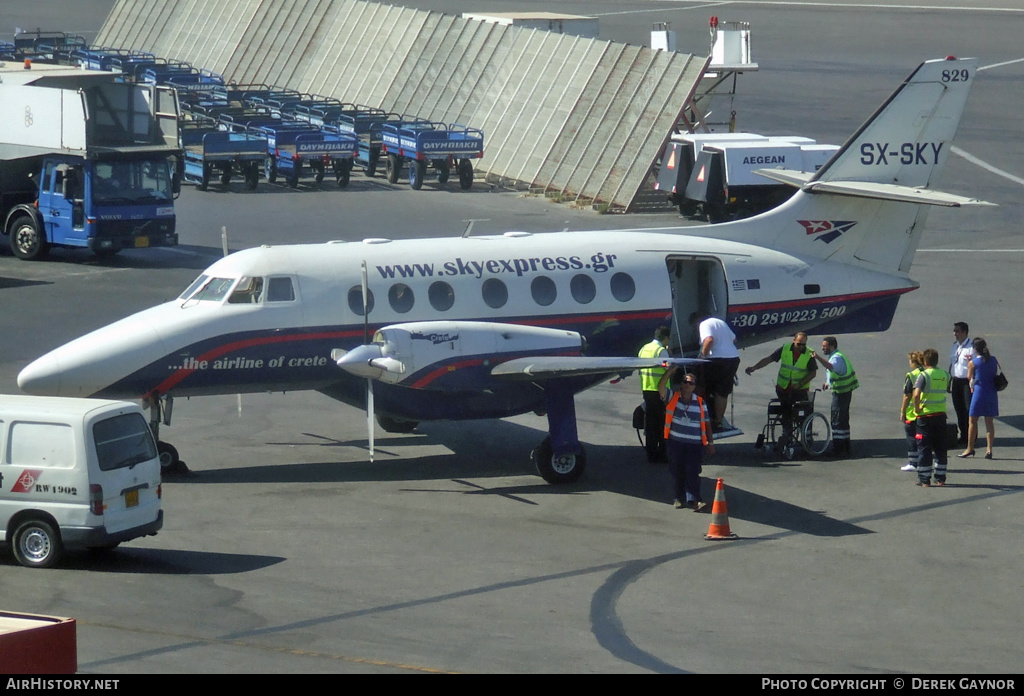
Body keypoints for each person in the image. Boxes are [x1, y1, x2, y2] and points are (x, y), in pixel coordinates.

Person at [658, 366, 714, 511]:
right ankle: (679, 498)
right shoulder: (673, 397)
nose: (687, 384)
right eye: (685, 382)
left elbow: (707, 424)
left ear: (694, 387)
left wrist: (710, 442)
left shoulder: (701, 403)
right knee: (678, 471)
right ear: (681, 384)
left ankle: (695, 500)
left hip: (694, 444)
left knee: (693, 472)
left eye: (691, 383)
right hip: (675, 442)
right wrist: (669, 372)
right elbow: (661, 387)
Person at [744, 332, 817, 440]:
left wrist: (800, 384)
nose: (801, 347)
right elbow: (769, 359)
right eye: (799, 344)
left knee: (802, 414)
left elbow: (813, 373)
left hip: (800, 390)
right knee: (785, 412)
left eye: (803, 344)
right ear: (794, 341)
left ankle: (807, 438)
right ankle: (786, 436)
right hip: (783, 388)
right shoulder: (785, 348)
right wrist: (754, 367)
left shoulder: (809, 354)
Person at [690, 312, 741, 432]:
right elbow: (735, 339)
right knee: (722, 393)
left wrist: (702, 355)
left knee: (703, 386)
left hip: (717, 360)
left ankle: (701, 417)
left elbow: (709, 339)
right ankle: (718, 421)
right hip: (733, 358)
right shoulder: (720, 322)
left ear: (697, 321)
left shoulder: (703, 324)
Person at [812, 336, 859, 456]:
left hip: (841, 394)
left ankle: (838, 448)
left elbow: (831, 367)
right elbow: (834, 372)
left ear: (831, 346)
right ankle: (846, 446)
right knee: (843, 420)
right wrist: (828, 383)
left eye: (825, 346)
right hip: (844, 392)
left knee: (837, 420)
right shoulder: (837, 355)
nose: (823, 348)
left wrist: (817, 357)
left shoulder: (836, 358)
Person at [912, 348, 949, 487]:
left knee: (924, 448)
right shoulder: (945, 374)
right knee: (940, 448)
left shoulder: (924, 376)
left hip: (925, 417)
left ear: (925, 361)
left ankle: (924, 479)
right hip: (940, 416)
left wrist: (917, 408)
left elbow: (916, 394)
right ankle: (940, 478)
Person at [960, 337, 999, 460]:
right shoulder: (993, 360)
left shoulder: (973, 363)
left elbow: (969, 377)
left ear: (975, 349)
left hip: (979, 393)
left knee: (972, 421)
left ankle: (970, 448)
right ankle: (989, 449)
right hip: (991, 393)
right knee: (989, 422)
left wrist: (969, 363)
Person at [638, 326, 671, 463]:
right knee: (663, 424)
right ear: (666, 338)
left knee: (651, 425)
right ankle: (663, 455)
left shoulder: (644, 349)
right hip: (660, 392)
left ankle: (651, 454)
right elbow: (667, 367)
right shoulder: (661, 351)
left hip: (646, 389)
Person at [949, 322, 974, 444]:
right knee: (958, 408)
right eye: (954, 331)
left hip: (967, 382)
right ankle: (964, 435)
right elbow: (953, 364)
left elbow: (976, 365)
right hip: (956, 381)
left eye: (957, 331)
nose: (955, 334)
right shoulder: (955, 346)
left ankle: (971, 436)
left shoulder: (971, 347)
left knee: (968, 409)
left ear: (964, 332)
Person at [899, 351, 925, 472]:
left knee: (911, 438)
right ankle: (923, 460)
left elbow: (907, 396)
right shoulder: (925, 373)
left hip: (912, 413)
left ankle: (913, 462)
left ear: (914, 362)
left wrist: (902, 411)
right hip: (924, 412)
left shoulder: (912, 375)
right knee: (922, 438)